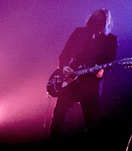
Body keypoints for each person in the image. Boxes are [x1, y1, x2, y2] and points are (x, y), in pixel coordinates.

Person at [49, 9, 118, 142]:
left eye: (101, 20)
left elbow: (110, 62)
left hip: (90, 84)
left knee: (92, 122)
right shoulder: (79, 32)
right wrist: (64, 67)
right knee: (58, 118)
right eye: (95, 18)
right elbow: (64, 54)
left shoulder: (110, 39)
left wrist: (102, 71)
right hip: (70, 81)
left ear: (106, 22)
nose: (97, 22)